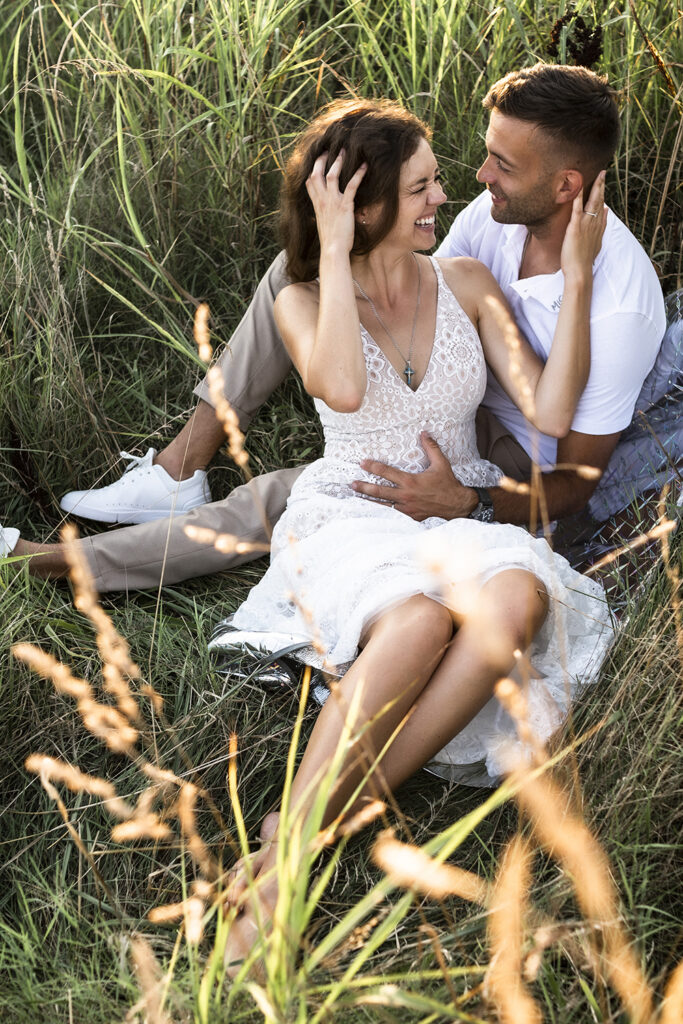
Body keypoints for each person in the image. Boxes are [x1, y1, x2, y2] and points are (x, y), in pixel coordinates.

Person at [213, 97, 613, 970]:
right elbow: (344, 390)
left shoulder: (465, 282)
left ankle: (299, 836)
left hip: (454, 512)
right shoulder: (302, 298)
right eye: (424, 188)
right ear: (363, 208)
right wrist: (328, 243)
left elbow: (549, 406)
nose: (446, 200)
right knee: (423, 620)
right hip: (351, 520)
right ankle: (295, 864)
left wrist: (577, 278)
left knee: (515, 599)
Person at [0, 63, 668, 582]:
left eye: (503, 164)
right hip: (455, 401)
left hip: (515, 461)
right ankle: (179, 471)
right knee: (292, 278)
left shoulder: (618, 304)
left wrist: (468, 500)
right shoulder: (493, 217)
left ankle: (45, 561)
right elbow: (416, 289)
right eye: (486, 152)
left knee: (276, 496)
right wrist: (332, 245)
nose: (475, 176)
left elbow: (577, 483)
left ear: (566, 187)